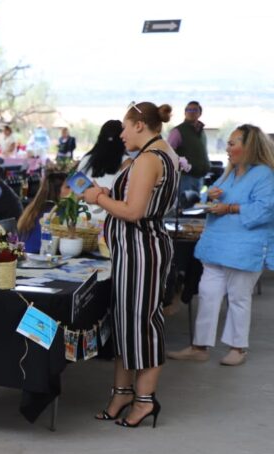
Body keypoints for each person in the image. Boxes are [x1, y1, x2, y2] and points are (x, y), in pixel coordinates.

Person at [83, 102, 178, 428]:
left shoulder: (150, 159)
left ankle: (144, 400)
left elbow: (134, 211)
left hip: (142, 251)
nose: (120, 134)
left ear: (139, 125)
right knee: (126, 323)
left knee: (143, 326)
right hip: (133, 250)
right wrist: (112, 194)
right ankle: (122, 393)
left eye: (124, 127)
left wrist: (98, 199)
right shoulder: (157, 155)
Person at [168, 124, 274, 366]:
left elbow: (265, 209)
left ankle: (238, 347)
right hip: (217, 246)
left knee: (238, 296)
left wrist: (229, 208)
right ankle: (199, 346)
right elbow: (212, 200)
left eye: (232, 143)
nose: (227, 148)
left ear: (248, 147)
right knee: (207, 294)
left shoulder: (265, 175)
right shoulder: (230, 172)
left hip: (244, 248)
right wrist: (211, 197)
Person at [76, 120, 128, 220]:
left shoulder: (86, 159)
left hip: (84, 219)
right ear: (122, 138)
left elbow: (77, 189)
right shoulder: (127, 163)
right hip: (110, 222)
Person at [16, 170, 66, 254]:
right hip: (41, 258)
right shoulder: (58, 212)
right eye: (68, 187)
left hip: (24, 258)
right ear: (58, 190)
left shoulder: (33, 209)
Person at [168, 100, 209, 197]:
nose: (191, 112)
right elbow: (168, 153)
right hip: (185, 178)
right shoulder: (177, 131)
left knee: (195, 207)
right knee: (185, 207)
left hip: (200, 177)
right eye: (188, 110)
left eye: (194, 110)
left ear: (200, 113)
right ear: (184, 113)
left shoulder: (201, 132)